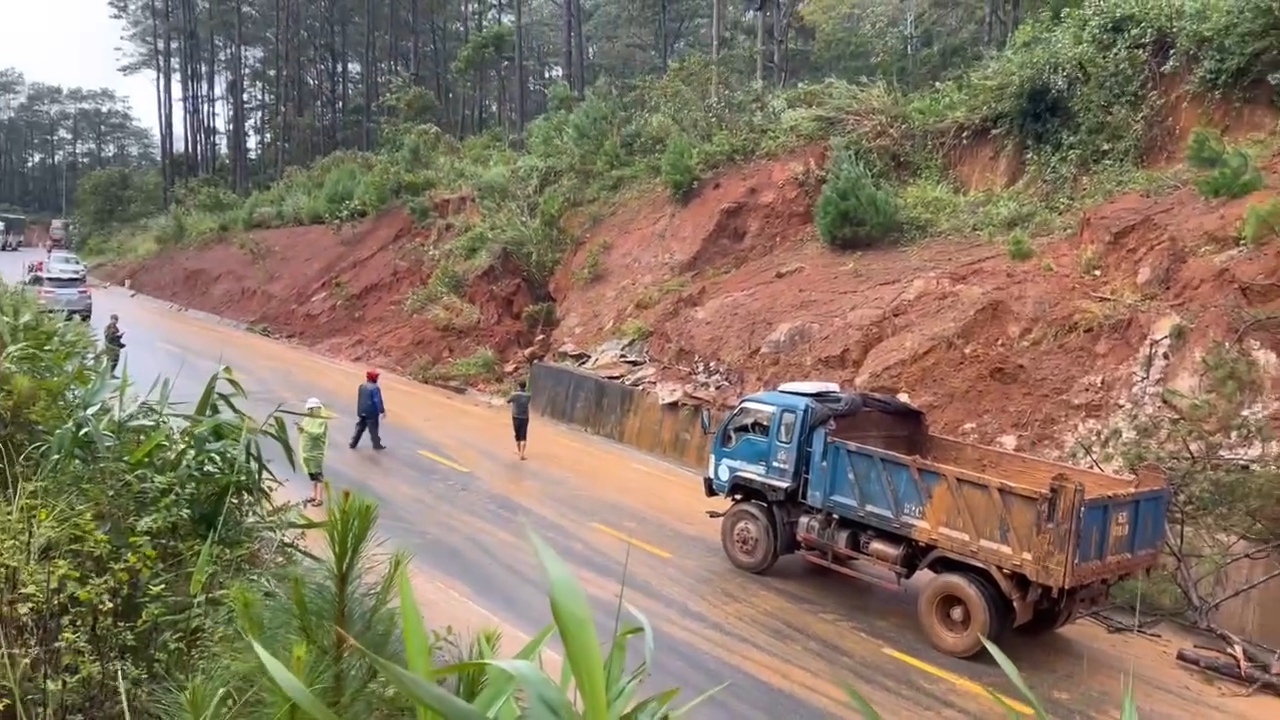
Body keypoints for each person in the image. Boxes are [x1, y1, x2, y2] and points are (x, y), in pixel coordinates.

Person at [296, 397, 330, 507]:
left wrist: (305, 429)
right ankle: (313, 495)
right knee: (312, 474)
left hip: (316, 451)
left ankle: (319, 498)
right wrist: (300, 428)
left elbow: (317, 434)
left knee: (318, 474)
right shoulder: (307, 419)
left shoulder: (321, 420)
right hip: (307, 451)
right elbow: (304, 431)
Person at [350, 369, 386, 450]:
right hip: (371, 412)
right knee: (373, 429)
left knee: (360, 428)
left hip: (361, 410)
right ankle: (376, 445)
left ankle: (353, 443)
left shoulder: (362, 386)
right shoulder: (375, 388)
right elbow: (377, 400)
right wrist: (382, 411)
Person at [506, 379, 531, 460]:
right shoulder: (528, 395)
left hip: (516, 416)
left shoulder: (515, 394)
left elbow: (508, 401)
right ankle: (522, 454)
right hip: (525, 417)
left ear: (518, 386)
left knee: (517, 434)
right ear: (525, 386)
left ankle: (519, 450)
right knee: (523, 435)